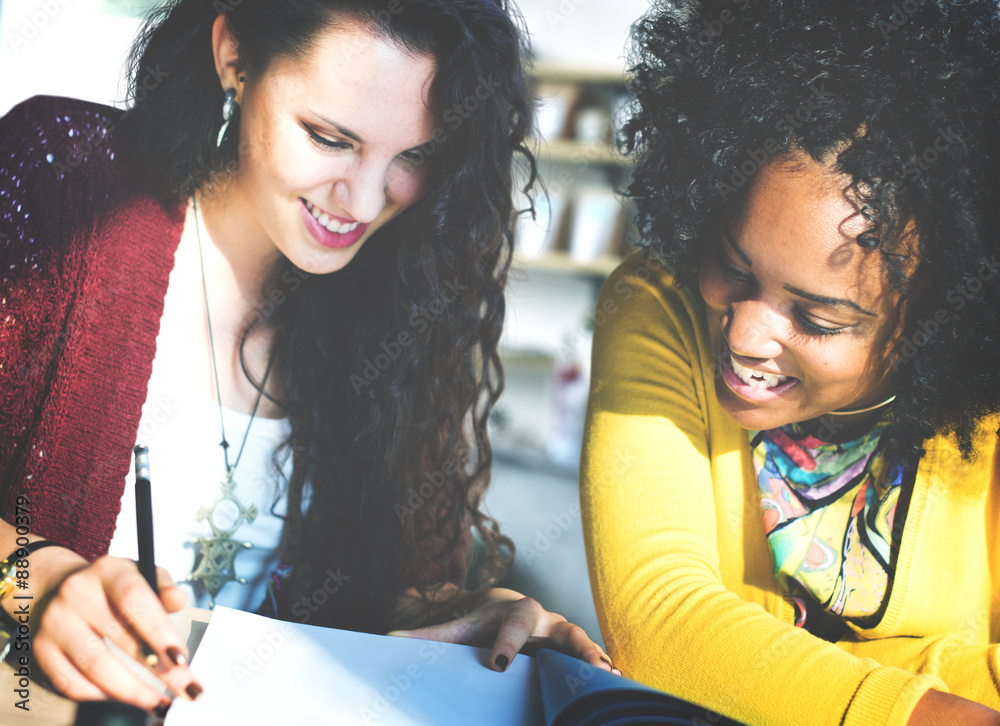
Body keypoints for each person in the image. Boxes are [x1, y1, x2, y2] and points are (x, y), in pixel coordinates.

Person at [0, 0, 613, 712]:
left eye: (413, 155)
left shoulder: (407, 298)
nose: (363, 200)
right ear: (234, 59)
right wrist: (31, 577)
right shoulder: (67, 180)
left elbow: (352, 609)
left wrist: (437, 614)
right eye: (329, 138)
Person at [581, 0, 1000, 724]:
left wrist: (761, 671)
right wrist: (929, 676)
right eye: (733, 267)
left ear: (934, 321)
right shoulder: (658, 307)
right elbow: (662, 627)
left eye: (817, 317)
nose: (744, 335)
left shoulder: (981, 414)